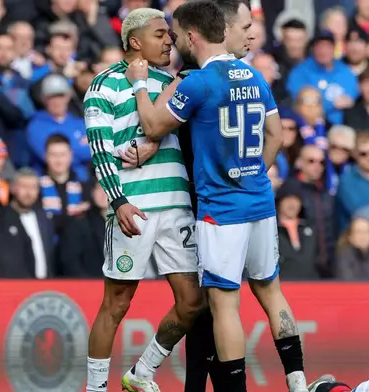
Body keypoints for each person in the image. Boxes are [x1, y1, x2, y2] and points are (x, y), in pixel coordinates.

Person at [126, 2, 308, 391]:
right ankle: (298, 381)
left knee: (225, 306)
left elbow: (154, 124)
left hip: (220, 211)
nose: (174, 41)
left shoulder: (198, 82)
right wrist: (253, 174)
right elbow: (276, 136)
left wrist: (141, 84)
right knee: (272, 292)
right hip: (259, 201)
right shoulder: (256, 75)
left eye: (178, 35)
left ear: (193, 36)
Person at [83, 8, 204, 392]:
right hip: (133, 207)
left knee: (192, 303)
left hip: (177, 206)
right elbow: (100, 149)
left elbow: (176, 134)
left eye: (170, 34)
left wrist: (151, 142)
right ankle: (96, 388)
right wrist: (117, 201)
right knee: (116, 305)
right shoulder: (103, 86)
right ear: (135, 41)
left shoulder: (171, 81)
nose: (169, 40)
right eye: (160, 34)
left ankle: (141, 372)